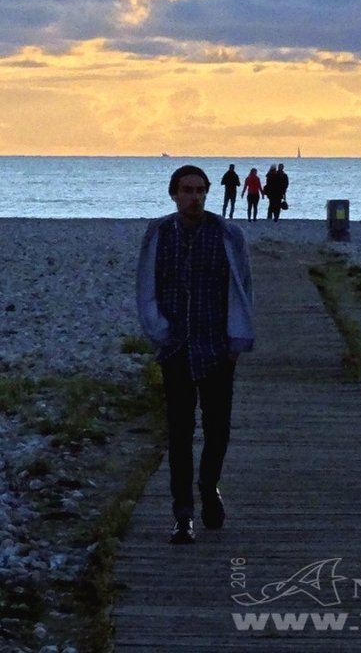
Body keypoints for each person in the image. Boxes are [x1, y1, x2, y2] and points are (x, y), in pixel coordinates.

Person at [135, 165, 255, 544]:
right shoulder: (159, 233)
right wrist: (158, 330)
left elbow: (242, 286)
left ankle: (209, 487)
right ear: (173, 193)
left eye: (200, 190)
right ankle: (182, 513)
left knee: (218, 428)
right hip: (176, 347)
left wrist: (237, 338)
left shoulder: (227, 235)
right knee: (180, 431)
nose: (194, 196)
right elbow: (146, 284)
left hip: (217, 347)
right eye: (187, 190)